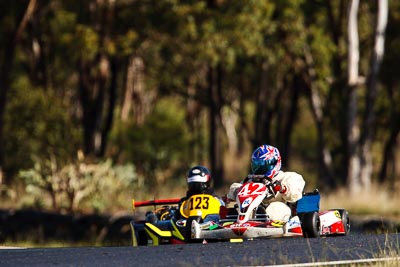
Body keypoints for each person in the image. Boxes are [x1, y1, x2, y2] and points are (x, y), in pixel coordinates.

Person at [227, 144, 305, 223]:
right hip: (252, 214)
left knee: (274, 208)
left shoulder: (285, 177)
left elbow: (294, 193)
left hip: (281, 214)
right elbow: (235, 190)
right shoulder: (250, 181)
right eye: (257, 165)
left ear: (274, 163)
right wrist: (236, 191)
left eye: (263, 165)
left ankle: (264, 217)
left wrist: (282, 188)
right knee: (234, 209)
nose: (260, 168)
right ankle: (238, 222)